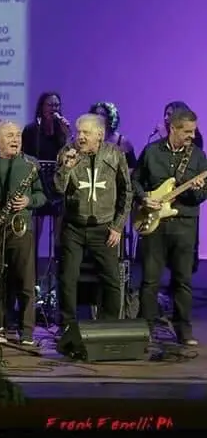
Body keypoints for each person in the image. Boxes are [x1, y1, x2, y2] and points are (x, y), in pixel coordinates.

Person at [133, 108, 207, 345]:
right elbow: (135, 181)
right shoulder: (152, 152)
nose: (192, 136)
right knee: (150, 280)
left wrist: (196, 191)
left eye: (193, 131)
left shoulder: (198, 156)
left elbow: (203, 194)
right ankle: (147, 327)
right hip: (154, 223)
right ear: (173, 129)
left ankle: (183, 329)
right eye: (187, 131)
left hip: (185, 224)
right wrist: (144, 198)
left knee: (182, 280)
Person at [54, 114, 132, 337]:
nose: (80, 137)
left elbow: (127, 191)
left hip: (104, 228)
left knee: (111, 278)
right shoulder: (67, 152)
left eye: (86, 133)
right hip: (74, 227)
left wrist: (118, 226)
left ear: (99, 134)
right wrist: (66, 167)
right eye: (79, 132)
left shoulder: (114, 154)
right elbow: (59, 189)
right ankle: (68, 326)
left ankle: (110, 326)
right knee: (68, 277)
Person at [0, 121, 46, 345]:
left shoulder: (31, 164)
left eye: (18, 135)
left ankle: (27, 332)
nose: (16, 139)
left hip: (21, 229)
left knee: (26, 283)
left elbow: (42, 196)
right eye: (9, 136)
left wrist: (29, 200)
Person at [22, 91, 70, 163]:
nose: (54, 108)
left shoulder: (61, 129)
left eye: (57, 105)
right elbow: (24, 154)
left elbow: (68, 154)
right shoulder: (30, 130)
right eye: (50, 105)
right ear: (42, 107)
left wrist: (67, 134)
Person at [89, 102, 136, 168]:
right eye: (96, 114)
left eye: (102, 114)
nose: (98, 117)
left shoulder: (122, 142)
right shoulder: (88, 139)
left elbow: (133, 168)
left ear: (110, 118)